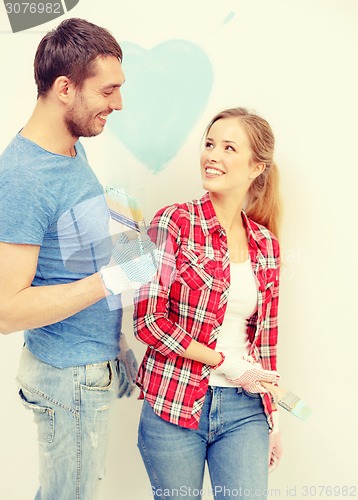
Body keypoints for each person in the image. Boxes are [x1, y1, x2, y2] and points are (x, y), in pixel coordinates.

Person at [0, 18, 154, 500]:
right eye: (108, 91)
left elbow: (67, 251)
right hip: (69, 380)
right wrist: (112, 279)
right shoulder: (24, 179)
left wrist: (122, 224)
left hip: (90, 365)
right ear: (65, 88)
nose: (119, 104)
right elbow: (6, 310)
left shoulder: (69, 147)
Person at [134, 107, 284, 499]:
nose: (212, 155)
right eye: (209, 144)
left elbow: (265, 343)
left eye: (229, 147)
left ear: (256, 167)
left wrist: (273, 421)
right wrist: (222, 362)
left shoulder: (266, 246)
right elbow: (148, 321)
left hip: (245, 409)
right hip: (174, 402)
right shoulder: (171, 223)